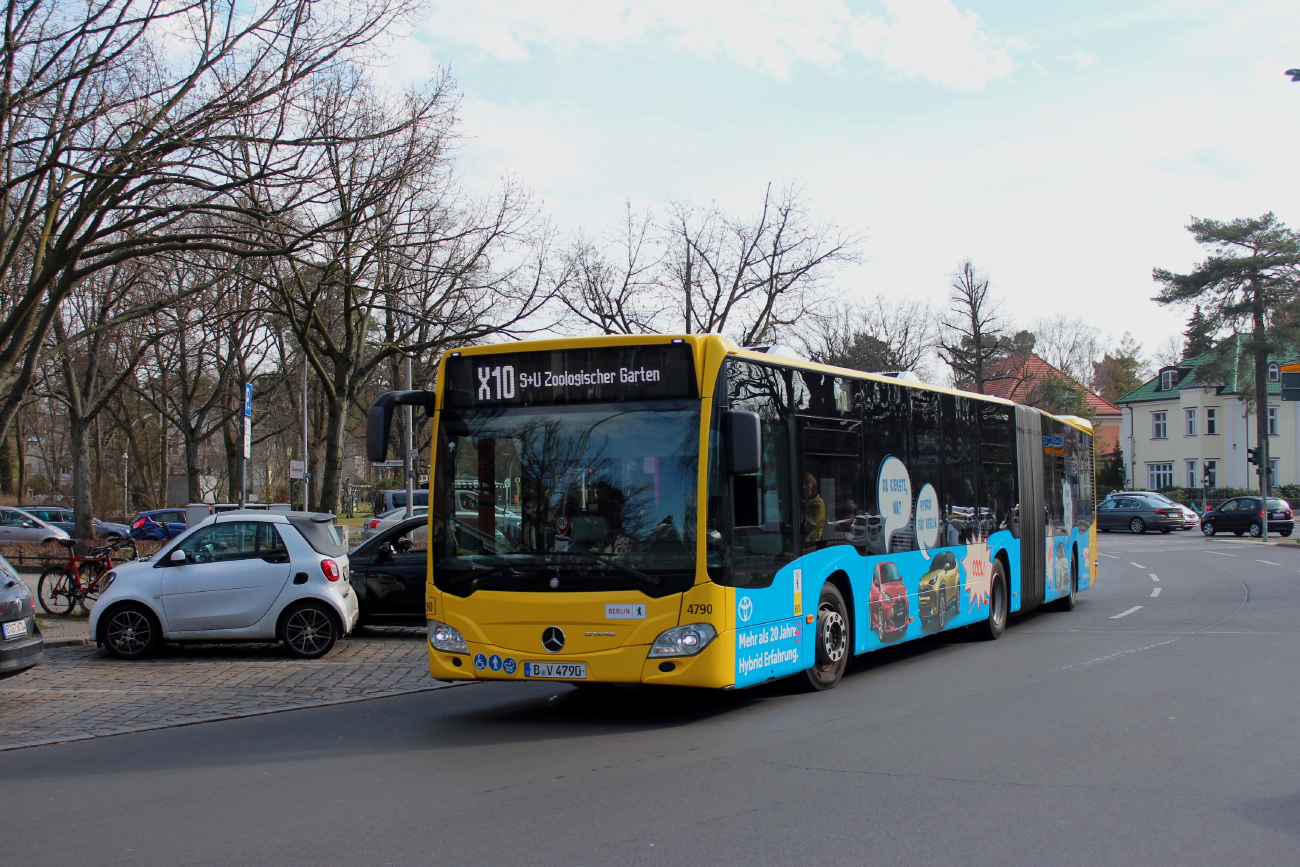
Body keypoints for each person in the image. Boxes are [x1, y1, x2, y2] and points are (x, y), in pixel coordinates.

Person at [802, 473, 824, 546]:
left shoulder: (818, 502)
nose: (805, 487)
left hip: (814, 541)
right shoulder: (803, 501)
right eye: (803, 484)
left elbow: (813, 523)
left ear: (813, 486)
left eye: (808, 484)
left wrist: (801, 518)